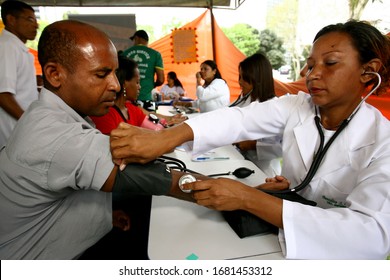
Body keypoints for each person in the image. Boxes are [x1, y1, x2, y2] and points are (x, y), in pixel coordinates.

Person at [110, 20, 390, 259]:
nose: (312, 74)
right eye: (310, 64)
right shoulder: (297, 107)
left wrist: (248, 198)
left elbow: (370, 235)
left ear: (368, 71)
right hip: (277, 242)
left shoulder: (383, 141)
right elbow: (239, 120)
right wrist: (167, 138)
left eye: (330, 63)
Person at [0, 19, 197, 260]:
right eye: (101, 74)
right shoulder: (56, 135)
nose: (115, 85)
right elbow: (162, 181)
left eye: (114, 73)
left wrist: (102, 217)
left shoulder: (49, 113)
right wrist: (242, 197)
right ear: (54, 74)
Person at [231, 52, 283, 177]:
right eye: (240, 77)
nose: (240, 82)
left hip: (264, 171)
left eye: (244, 78)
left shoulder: (274, 107)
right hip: (243, 162)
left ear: (257, 80)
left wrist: (252, 145)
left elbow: (281, 146)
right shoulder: (244, 101)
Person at [0, 0, 39, 148]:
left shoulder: (17, 47)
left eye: (35, 20)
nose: (36, 25)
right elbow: (3, 94)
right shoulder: (6, 47)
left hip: (21, 128)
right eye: (29, 19)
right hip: (12, 130)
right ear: (11, 20)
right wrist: (26, 120)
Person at [122, 30, 164, 102]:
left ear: (137, 38)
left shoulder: (124, 54)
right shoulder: (155, 54)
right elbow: (161, 79)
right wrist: (151, 85)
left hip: (127, 100)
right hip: (146, 99)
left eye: (134, 40)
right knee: (146, 113)